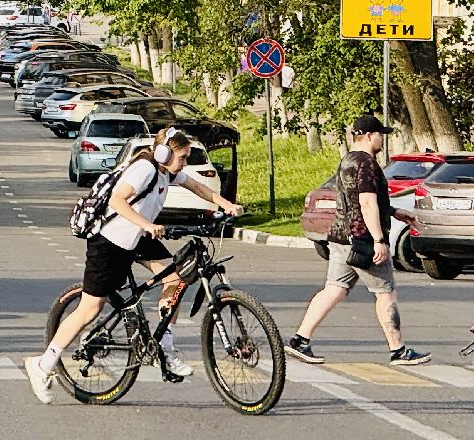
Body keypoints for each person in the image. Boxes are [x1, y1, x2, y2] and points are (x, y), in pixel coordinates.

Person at [25, 127, 243, 404]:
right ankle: (42, 364)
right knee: (91, 308)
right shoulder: (144, 169)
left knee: (176, 278)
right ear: (164, 153)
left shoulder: (167, 171)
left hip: (137, 238)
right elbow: (117, 199)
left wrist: (226, 204)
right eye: (183, 157)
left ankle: (165, 347)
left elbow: (196, 186)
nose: (185, 162)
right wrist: (147, 225)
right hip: (110, 241)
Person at [286, 114, 430, 366]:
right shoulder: (366, 163)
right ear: (369, 135)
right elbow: (365, 202)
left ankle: (300, 340)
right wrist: (378, 240)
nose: (382, 140)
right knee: (385, 293)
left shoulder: (347, 161)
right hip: (362, 239)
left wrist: (395, 211)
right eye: (380, 135)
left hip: (340, 237)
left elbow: (356, 200)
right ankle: (398, 350)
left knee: (334, 288)